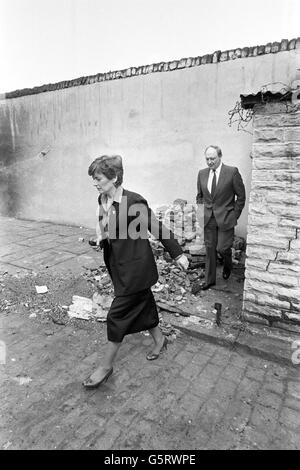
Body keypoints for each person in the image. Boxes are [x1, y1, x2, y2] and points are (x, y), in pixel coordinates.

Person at [83, 155, 189, 389]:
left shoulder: (133, 201)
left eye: (98, 178)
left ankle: (106, 366)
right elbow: (109, 229)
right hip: (119, 267)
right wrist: (101, 240)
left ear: (114, 178)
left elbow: (156, 227)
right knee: (145, 304)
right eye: (94, 179)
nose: (95, 183)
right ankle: (160, 340)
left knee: (116, 316)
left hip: (136, 270)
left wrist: (178, 253)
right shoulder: (102, 199)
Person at [196, 145, 246, 290]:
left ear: (220, 156)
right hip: (208, 217)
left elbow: (241, 196)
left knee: (222, 248)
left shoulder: (232, 172)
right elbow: (199, 196)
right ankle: (209, 280)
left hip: (226, 217)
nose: (210, 162)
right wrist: (201, 213)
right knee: (210, 249)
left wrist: (234, 215)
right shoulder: (202, 173)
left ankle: (228, 262)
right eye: (207, 159)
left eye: (213, 158)